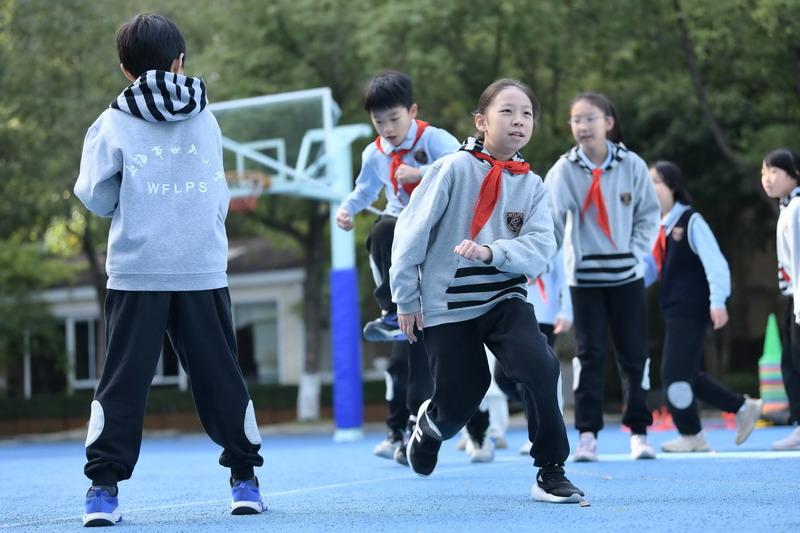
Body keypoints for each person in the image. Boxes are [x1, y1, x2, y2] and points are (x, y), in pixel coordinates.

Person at [73, 13, 265, 526]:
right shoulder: (206, 117)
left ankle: (103, 490)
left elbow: (93, 193)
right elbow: (218, 190)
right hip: (201, 265)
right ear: (180, 62)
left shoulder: (112, 121)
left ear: (124, 69)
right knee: (219, 373)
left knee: (123, 380)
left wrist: (131, 204)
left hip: (138, 268)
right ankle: (244, 481)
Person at [391, 78, 585, 503]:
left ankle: (550, 471)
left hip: (504, 299)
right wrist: (405, 299)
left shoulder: (532, 185)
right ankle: (432, 425)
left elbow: (542, 246)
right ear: (481, 121)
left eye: (527, 113)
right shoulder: (452, 169)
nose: (519, 120)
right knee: (461, 401)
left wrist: (492, 252)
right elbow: (409, 235)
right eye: (507, 111)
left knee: (541, 367)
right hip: (448, 305)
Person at [545, 92, 661, 461]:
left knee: (633, 354)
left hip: (626, 275)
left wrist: (634, 252)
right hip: (584, 278)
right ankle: (587, 435)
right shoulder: (564, 169)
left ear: (608, 123)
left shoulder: (632, 165)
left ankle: (639, 432)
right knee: (589, 355)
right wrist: (541, 261)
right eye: (576, 120)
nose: (583, 126)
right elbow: (550, 221)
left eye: (590, 118)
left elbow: (649, 214)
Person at [643, 161, 762, 452]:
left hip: (691, 308)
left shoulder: (691, 220)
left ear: (672, 185)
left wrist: (718, 301)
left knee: (673, 375)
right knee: (687, 374)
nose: (650, 188)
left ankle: (691, 434)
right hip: (673, 309)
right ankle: (742, 407)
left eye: (656, 181)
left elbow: (716, 264)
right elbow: (650, 270)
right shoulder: (660, 227)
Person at [336, 70, 460, 342]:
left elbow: (464, 165)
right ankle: (392, 313)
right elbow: (365, 190)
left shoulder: (433, 138)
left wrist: (420, 172)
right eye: (379, 121)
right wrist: (346, 209)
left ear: (412, 111)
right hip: (400, 216)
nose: (388, 129)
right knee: (382, 232)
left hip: (438, 217)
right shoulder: (374, 153)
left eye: (394, 119)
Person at [760, 149, 800, 450]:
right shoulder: (788, 207)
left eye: (774, 171)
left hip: (799, 299)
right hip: (793, 298)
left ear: (795, 173)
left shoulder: (797, 207)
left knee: (796, 363)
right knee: (791, 363)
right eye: (764, 172)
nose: (767, 178)